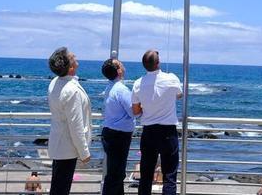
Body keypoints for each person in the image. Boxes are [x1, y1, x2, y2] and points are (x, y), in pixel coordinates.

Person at [132, 50, 182, 195]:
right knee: (169, 176)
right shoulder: (171, 78)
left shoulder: (137, 84)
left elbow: (136, 111)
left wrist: (148, 106)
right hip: (168, 132)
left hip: (149, 132)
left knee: (146, 175)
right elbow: (179, 95)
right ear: (158, 63)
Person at [47, 47, 92, 195]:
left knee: (58, 187)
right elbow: (76, 125)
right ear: (70, 67)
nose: (75, 55)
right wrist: (84, 152)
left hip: (59, 144)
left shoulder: (55, 82)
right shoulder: (72, 90)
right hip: (67, 147)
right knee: (61, 189)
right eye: (72, 56)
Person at [100, 58, 136, 195]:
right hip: (119, 135)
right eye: (121, 64)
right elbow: (133, 112)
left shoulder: (110, 87)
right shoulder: (121, 90)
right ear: (119, 71)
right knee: (116, 174)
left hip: (111, 133)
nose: (123, 66)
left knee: (116, 173)